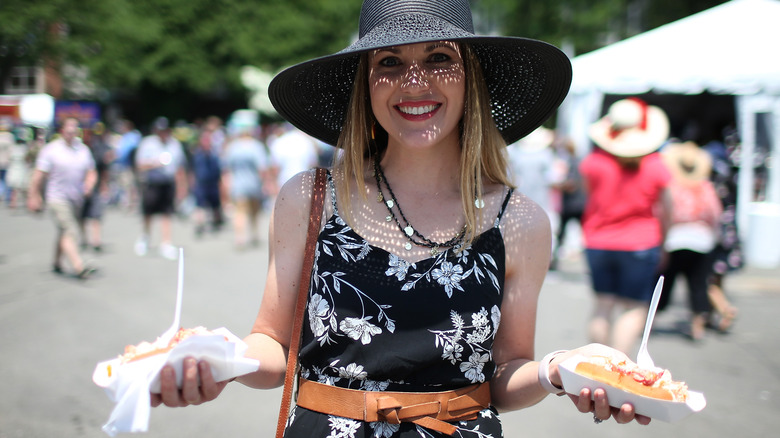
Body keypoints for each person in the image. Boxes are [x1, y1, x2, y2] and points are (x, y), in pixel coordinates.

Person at [153, 0, 650, 434]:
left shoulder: (518, 220)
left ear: (471, 77)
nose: (415, 82)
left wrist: (555, 371)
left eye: (439, 58)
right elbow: (271, 346)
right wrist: (217, 361)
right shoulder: (309, 198)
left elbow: (506, 373)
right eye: (390, 62)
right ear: (365, 84)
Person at [580, 98, 673, 355]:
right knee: (633, 308)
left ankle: (598, 361)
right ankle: (618, 366)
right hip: (640, 243)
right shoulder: (655, 165)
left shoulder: (594, 162)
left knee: (602, 305)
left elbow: (588, 196)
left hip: (597, 241)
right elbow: (667, 209)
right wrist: (665, 243)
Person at [658, 141, 722, 340]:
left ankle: (647, 318)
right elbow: (715, 214)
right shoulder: (706, 188)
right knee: (698, 283)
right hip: (701, 241)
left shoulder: (672, 187)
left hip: (676, 239)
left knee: (664, 281)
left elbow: (664, 213)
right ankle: (697, 325)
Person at [27, 117, 97, 279]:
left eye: (75, 129)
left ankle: (57, 261)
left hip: (76, 198)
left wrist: (89, 184)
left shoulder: (82, 149)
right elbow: (38, 175)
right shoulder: (51, 150)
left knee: (63, 231)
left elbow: (91, 171)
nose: (72, 133)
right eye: (69, 129)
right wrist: (34, 196)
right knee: (70, 229)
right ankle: (79, 266)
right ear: (62, 131)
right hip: (56, 197)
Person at [703, 132, 741, 331]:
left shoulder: (711, 183)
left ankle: (725, 309)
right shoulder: (730, 177)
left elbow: (711, 212)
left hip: (716, 236)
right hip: (730, 235)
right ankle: (710, 316)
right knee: (718, 278)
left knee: (707, 279)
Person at [134, 117, 188, 260]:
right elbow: (139, 165)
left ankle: (166, 242)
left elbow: (180, 167)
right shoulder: (147, 143)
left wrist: (182, 187)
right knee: (148, 212)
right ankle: (145, 237)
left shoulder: (174, 144)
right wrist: (155, 163)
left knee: (167, 213)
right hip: (152, 182)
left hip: (168, 183)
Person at [222, 125, 275, 249]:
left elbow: (227, 168)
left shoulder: (233, 147)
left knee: (239, 211)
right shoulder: (257, 147)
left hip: (238, 184)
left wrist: (226, 184)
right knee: (254, 211)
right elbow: (262, 168)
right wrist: (266, 183)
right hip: (254, 184)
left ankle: (239, 237)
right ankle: (254, 234)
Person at [550, 136, 586, 269]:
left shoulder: (572, 162)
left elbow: (571, 184)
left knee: (562, 234)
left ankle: (554, 263)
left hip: (572, 204)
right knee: (581, 234)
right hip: (579, 203)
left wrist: (556, 185)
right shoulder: (580, 161)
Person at [80, 122, 115, 252]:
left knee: (96, 214)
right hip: (80, 186)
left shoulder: (102, 148)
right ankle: (84, 238)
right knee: (81, 214)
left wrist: (104, 186)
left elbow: (105, 169)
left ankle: (96, 239)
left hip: (96, 185)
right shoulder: (81, 148)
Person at [190, 128, 224, 237]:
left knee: (215, 204)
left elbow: (219, 170)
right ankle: (200, 225)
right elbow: (192, 170)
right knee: (200, 205)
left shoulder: (214, 154)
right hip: (201, 184)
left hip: (213, 183)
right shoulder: (197, 154)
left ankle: (217, 222)